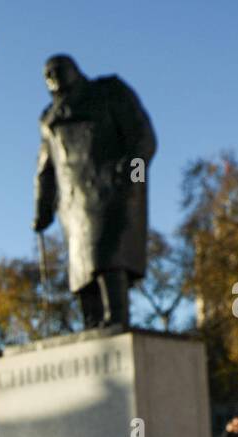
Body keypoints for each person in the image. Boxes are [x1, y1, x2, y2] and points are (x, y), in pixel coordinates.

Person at [32, 54, 157, 329]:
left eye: (59, 70)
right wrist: (42, 208)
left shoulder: (109, 92)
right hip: (73, 201)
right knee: (81, 267)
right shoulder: (49, 120)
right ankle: (92, 323)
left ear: (75, 70)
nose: (53, 77)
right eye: (47, 75)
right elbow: (46, 168)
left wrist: (132, 174)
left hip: (112, 189)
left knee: (107, 256)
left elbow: (143, 136)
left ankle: (117, 318)